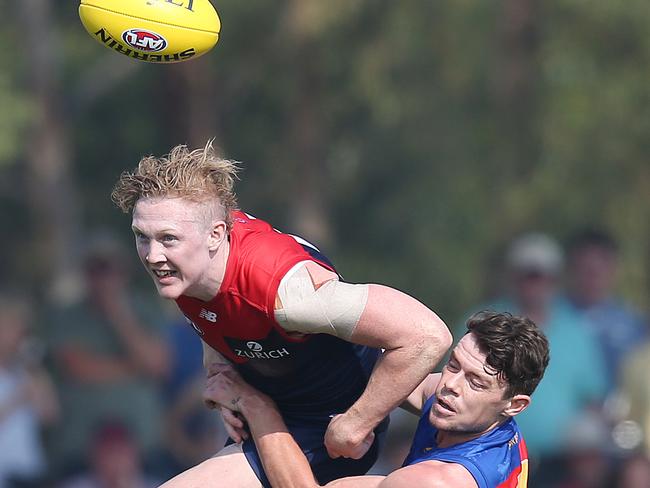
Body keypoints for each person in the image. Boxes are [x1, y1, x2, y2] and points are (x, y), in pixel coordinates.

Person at [111, 142, 453, 487]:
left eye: (168, 239)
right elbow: (216, 316)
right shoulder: (188, 265)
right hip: (274, 411)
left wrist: (356, 422)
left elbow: (426, 335)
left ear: (216, 235)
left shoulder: (285, 292)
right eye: (142, 237)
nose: (152, 255)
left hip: (328, 427)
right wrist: (220, 376)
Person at [203, 311, 550, 487]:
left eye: (475, 382)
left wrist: (253, 402)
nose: (450, 386)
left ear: (514, 405)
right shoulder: (466, 410)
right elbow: (390, 374)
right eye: (453, 365)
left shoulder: (440, 481)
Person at [472, 233, 607, 470]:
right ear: (513, 276)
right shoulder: (484, 324)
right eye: (529, 275)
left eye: (542, 276)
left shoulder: (576, 331)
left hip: (561, 464)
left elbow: (593, 399)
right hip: (491, 454)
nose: (535, 283)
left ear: (555, 279)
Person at [48, 232, 170, 477]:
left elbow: (158, 365)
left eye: (108, 268)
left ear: (123, 271)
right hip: (81, 449)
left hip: (143, 447)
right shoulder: (67, 315)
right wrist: (136, 367)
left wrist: (119, 314)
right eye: (95, 269)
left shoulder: (146, 309)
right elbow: (78, 368)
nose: (102, 277)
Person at [563, 228, 647, 392]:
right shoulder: (553, 319)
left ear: (615, 269)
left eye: (599, 270)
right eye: (585, 269)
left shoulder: (634, 325)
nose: (593, 278)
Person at [0, 290, 58, 488]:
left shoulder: (25, 372)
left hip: (30, 472)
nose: (18, 335)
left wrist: (35, 369)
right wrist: (18, 397)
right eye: (11, 327)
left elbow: (50, 415)